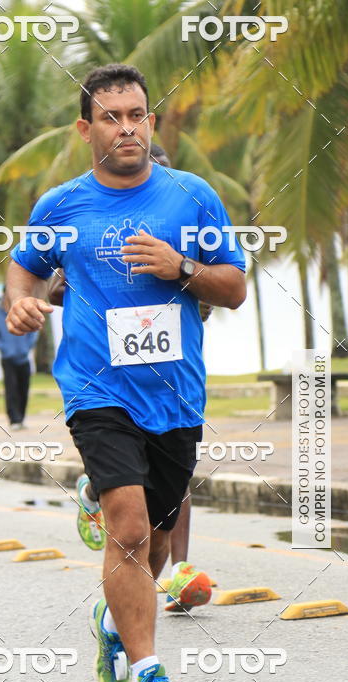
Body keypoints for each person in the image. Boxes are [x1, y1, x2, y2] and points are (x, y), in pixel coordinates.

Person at [5, 63, 246, 682]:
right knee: (131, 530)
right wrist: (21, 307)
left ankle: (111, 621)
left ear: (151, 120)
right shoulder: (61, 206)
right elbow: (23, 272)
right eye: (111, 117)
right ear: (87, 129)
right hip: (95, 387)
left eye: (136, 114)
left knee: (158, 542)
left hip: (174, 396)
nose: (127, 127)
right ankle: (149, 677)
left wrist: (182, 268)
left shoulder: (192, 198)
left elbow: (234, 287)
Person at [47, 143, 215, 614]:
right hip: (104, 379)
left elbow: (222, 285)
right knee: (129, 503)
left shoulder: (184, 215)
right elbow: (58, 286)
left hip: (170, 376)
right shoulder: (91, 218)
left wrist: (184, 274)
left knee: (175, 482)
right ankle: (98, 491)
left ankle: (173, 568)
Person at [0, 289, 38, 430]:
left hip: (23, 357)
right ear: (4, 295)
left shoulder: (23, 312)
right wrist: (4, 348)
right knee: (11, 389)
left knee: (23, 388)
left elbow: (33, 331)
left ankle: (21, 419)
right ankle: (14, 420)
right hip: (7, 358)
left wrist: (27, 347)